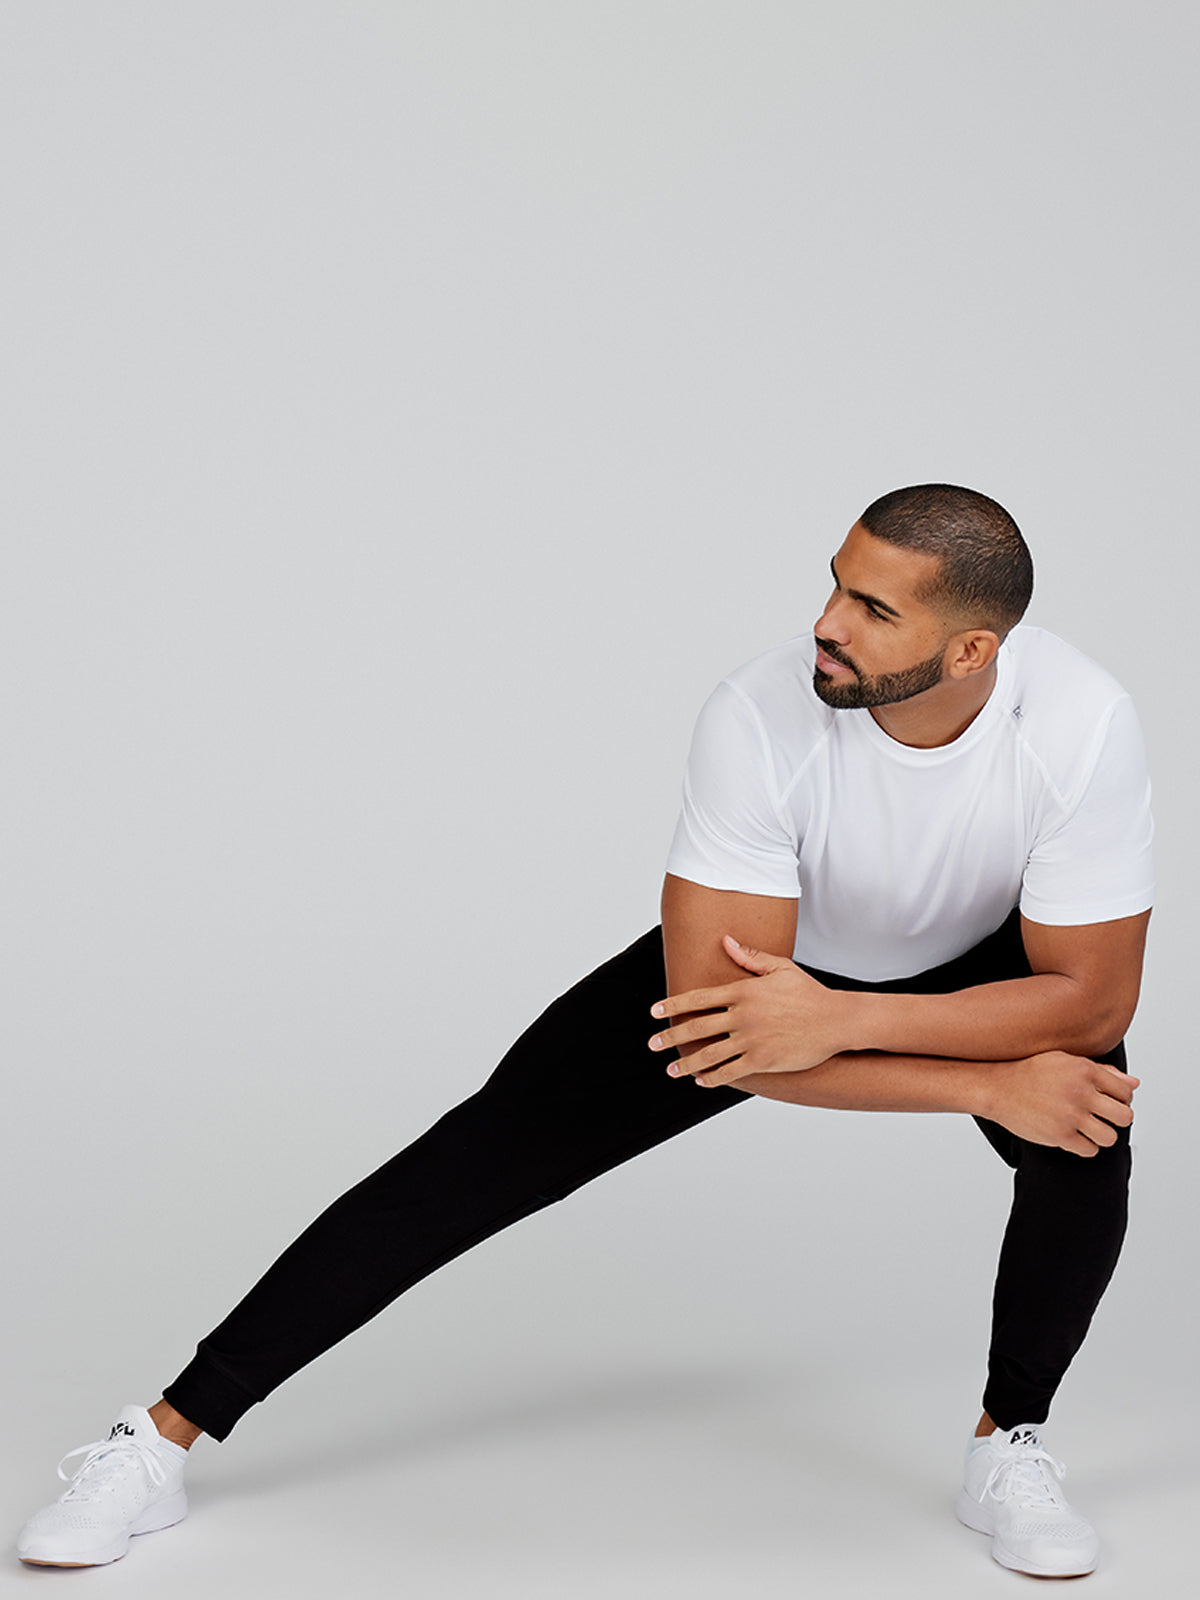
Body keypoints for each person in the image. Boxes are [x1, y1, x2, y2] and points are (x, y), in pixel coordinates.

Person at [17, 484, 1153, 1579]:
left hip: (956, 978)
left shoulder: (1080, 723)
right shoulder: (758, 716)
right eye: (835, 585)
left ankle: (1008, 1443)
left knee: (1086, 1130)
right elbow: (727, 1039)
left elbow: (1092, 1002)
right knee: (468, 1164)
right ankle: (159, 1438)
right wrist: (981, 1086)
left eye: (874, 608)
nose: (826, 623)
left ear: (971, 650)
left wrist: (848, 1017)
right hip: (755, 969)